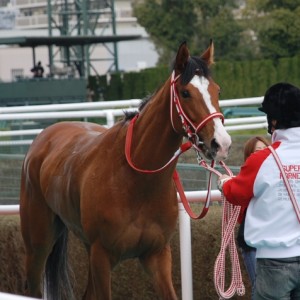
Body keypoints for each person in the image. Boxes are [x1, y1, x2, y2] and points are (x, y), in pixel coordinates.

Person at [218, 82, 300, 300]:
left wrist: (224, 183)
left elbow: (236, 193)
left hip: (274, 262)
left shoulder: (262, 159)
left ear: (273, 121)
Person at [236, 136, 270, 300]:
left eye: (266, 149)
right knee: (260, 287)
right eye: (258, 151)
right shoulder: (247, 179)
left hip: (271, 244)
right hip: (252, 243)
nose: (264, 154)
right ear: (250, 156)